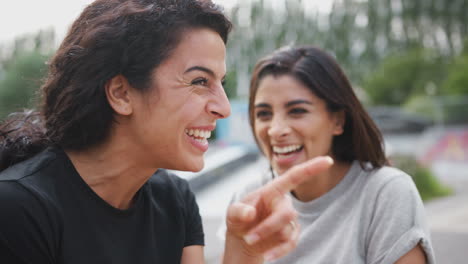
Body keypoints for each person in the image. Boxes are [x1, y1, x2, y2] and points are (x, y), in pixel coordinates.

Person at [0, 1, 334, 263]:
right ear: (121, 93)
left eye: (221, 83)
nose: (224, 107)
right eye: (199, 81)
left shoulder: (174, 200)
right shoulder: (19, 210)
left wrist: (244, 250)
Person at [221, 46, 436, 264]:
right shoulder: (250, 200)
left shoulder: (386, 193)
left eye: (297, 111)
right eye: (264, 114)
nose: (276, 130)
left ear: (338, 121)